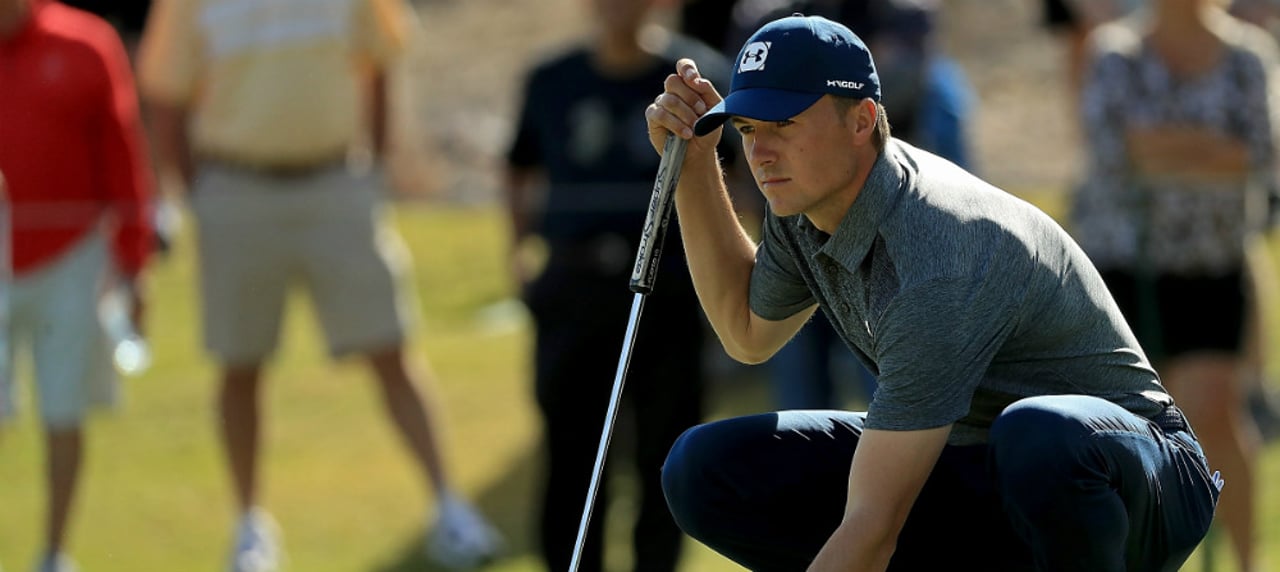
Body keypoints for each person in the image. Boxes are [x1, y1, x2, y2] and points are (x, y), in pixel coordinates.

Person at [646, 13, 1222, 571]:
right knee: (706, 468)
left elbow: (873, 528)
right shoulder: (804, 203)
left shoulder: (939, 254)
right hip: (982, 464)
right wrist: (695, 164)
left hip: (1141, 479)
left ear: (861, 120)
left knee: (1039, 437)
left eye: (784, 124)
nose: (760, 153)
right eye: (747, 130)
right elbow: (746, 331)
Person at [134, 1, 502, 570]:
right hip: (235, 186)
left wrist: (372, 168)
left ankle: (449, 508)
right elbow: (166, 94)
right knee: (239, 363)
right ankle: (250, 527)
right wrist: (195, 194)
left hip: (335, 181)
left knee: (391, 348)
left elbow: (379, 62)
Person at [504, 0, 732, 570]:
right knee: (570, 454)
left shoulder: (698, 78)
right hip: (574, 286)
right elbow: (519, 168)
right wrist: (516, 254)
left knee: (664, 455)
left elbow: (740, 183)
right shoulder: (550, 79)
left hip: (672, 290)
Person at [1069, 2, 1278, 570]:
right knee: (1134, 426)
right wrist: (1210, 148)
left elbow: (1258, 154)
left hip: (1215, 265)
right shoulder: (1116, 52)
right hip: (1128, 266)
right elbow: (1113, 154)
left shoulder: (1248, 57)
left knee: (1213, 406)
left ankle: (1247, 559)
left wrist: (1162, 145)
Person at [0, 1, 156, 570]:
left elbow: (123, 157)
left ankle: (53, 555)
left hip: (72, 261)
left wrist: (134, 263)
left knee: (63, 412)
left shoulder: (86, 44)